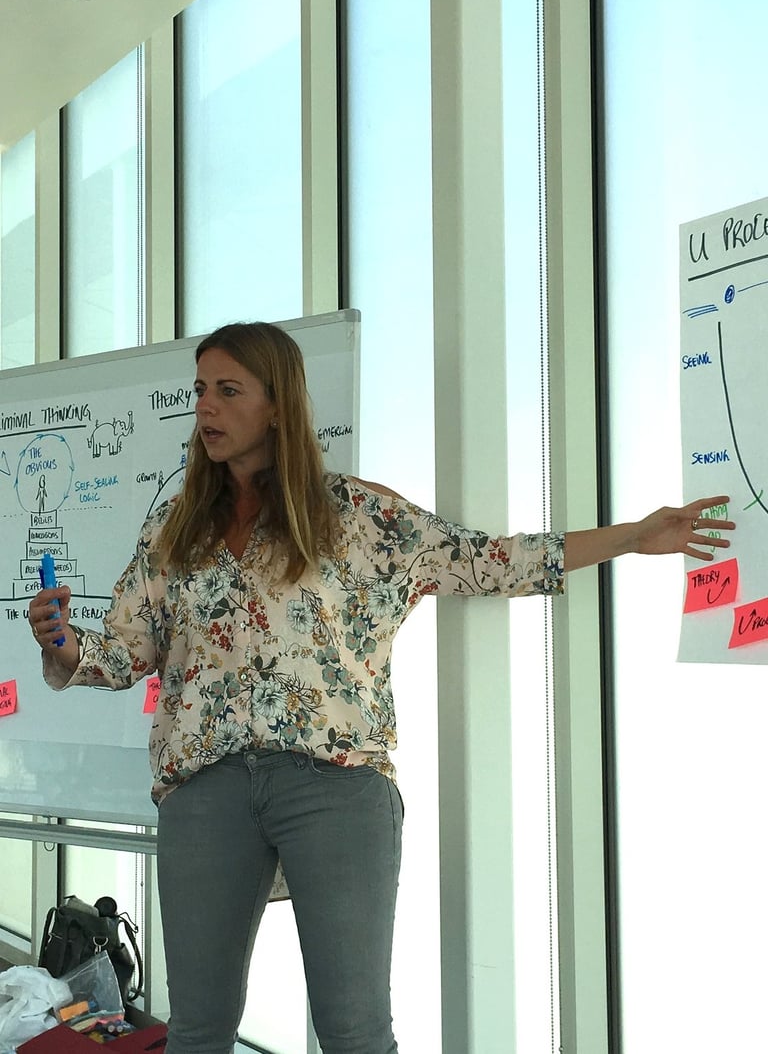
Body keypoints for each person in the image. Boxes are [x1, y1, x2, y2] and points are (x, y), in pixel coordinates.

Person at [28, 321, 735, 1054]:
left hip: (334, 786)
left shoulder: (356, 516)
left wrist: (630, 537)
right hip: (205, 790)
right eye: (201, 389)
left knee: (355, 1031)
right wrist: (62, 643)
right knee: (199, 1029)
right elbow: (123, 652)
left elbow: (487, 562)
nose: (206, 406)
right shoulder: (174, 530)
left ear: (278, 404)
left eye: (229, 390)